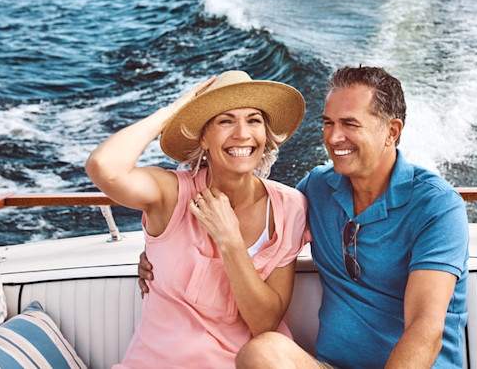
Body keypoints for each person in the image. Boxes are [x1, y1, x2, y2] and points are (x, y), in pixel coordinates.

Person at [140, 65, 470, 368]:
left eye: (350, 124)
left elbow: (425, 329)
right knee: (262, 351)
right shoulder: (315, 190)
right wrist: (159, 253)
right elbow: (270, 222)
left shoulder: (437, 207)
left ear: (391, 131)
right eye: (328, 123)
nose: (333, 137)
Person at [86, 70, 310, 368]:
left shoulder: (289, 206)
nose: (242, 134)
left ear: (265, 136)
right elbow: (104, 166)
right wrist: (173, 112)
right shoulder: (170, 194)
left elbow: (265, 324)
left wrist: (229, 240)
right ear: (203, 137)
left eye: (253, 120)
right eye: (225, 120)